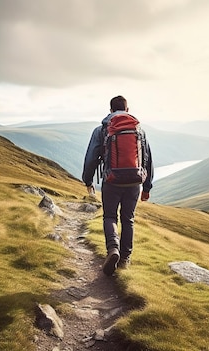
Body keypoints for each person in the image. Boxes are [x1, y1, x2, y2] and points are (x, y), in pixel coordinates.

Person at [82, 95, 154, 276]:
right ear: (127, 110)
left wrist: (88, 180)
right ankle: (124, 260)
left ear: (111, 110)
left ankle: (113, 249)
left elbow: (91, 157)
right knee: (128, 219)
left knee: (110, 217)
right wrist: (147, 187)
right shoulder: (139, 130)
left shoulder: (102, 129)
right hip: (134, 182)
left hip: (111, 181)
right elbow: (147, 159)